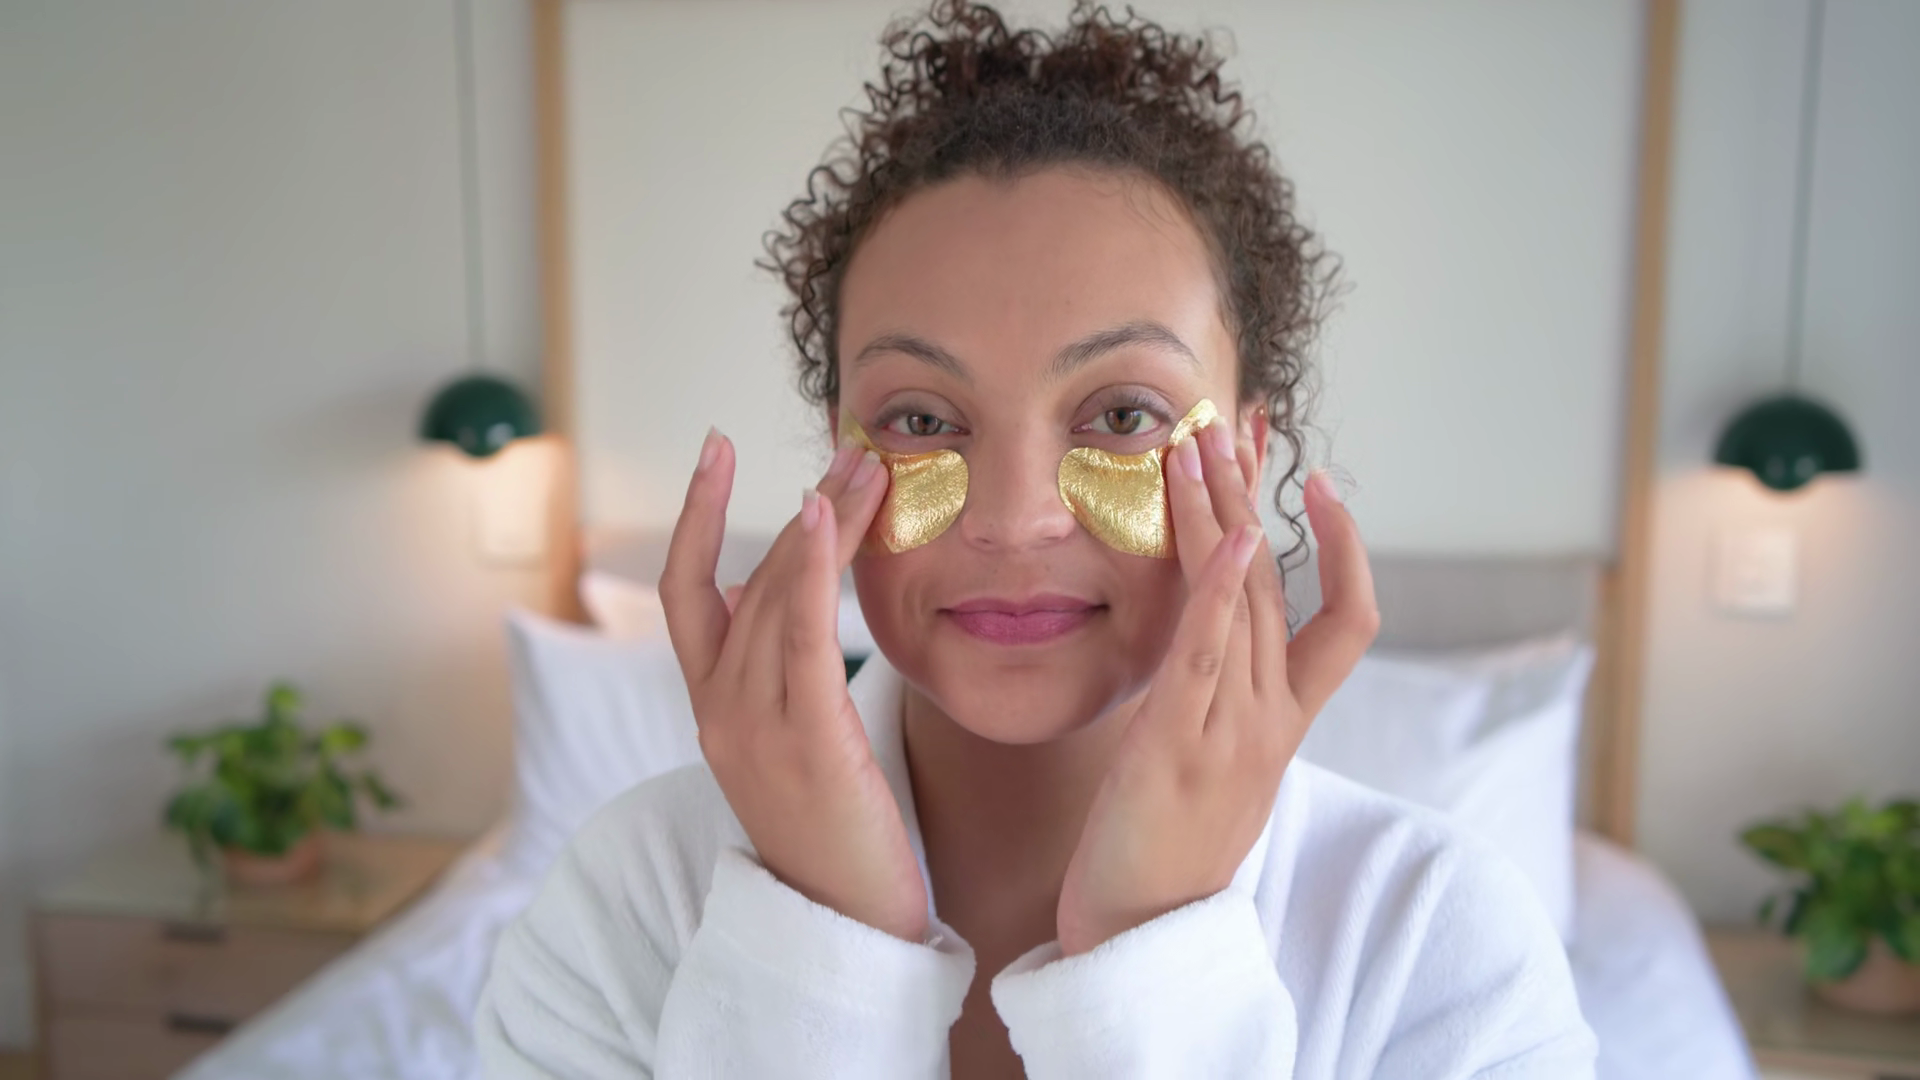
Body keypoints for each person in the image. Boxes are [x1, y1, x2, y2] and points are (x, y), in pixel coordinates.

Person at [476, 2, 1597, 1076]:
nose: (1013, 523)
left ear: (1246, 456)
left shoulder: (1444, 948)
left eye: (1123, 416)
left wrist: (1149, 954)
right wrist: (821, 947)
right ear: (839, 450)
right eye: (922, 421)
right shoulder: (625, 909)